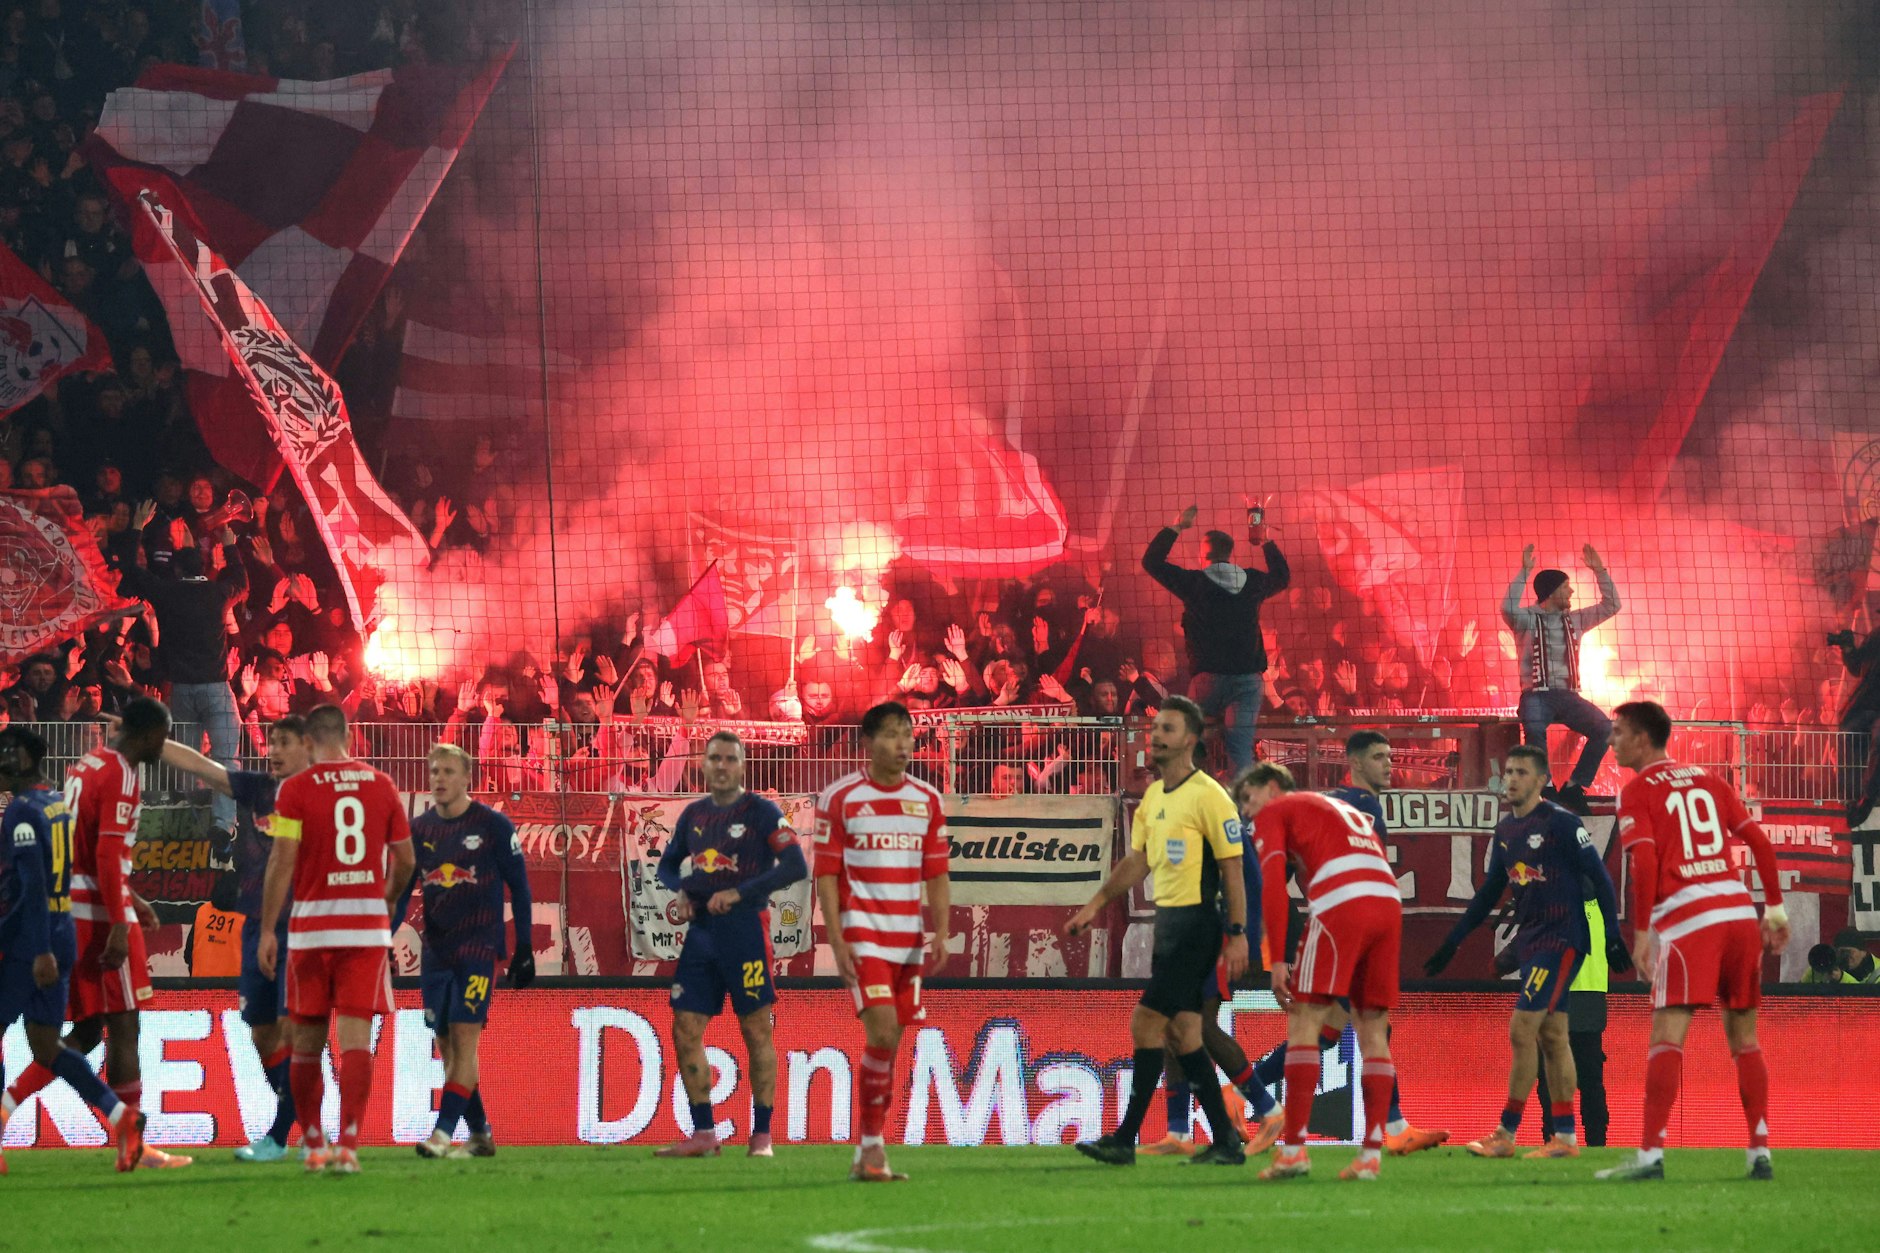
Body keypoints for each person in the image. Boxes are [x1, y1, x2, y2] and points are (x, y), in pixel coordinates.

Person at [1596, 700, 1787, 1182]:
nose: (1611, 741)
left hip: (1690, 921)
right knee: (1745, 1040)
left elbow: (1642, 863)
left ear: (1642, 738)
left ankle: (1650, 1157)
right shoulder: (1710, 779)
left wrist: (1641, 934)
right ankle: (1760, 1152)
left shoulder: (1637, 791)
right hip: (1740, 914)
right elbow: (1760, 844)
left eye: (1618, 732)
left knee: (1667, 1036)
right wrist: (1776, 909)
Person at [1066, 696, 1251, 1167]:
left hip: (1196, 924)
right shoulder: (1153, 796)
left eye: (1167, 728)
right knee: (1185, 1034)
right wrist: (1095, 903)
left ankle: (1125, 1138)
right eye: (1155, 728)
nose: (1156, 735)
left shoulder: (1209, 794)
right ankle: (1227, 1141)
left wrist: (1238, 932)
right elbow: (1138, 861)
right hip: (1170, 924)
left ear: (1189, 739)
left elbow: (1232, 869)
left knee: (1146, 1022)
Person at [1245, 731, 1448, 1155]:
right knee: (1337, 1024)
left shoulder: (1325, 804)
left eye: (1389, 756)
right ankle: (1285, 1123)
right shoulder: (1364, 807)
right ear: (1354, 764)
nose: (1388, 764)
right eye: (1378, 757)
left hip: (1335, 920)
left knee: (1332, 1029)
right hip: (1344, 924)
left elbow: (1278, 878)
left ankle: (1248, 1093)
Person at [1424, 745, 1628, 1159]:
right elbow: (1487, 896)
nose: (1512, 779)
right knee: (1553, 1036)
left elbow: (1601, 880)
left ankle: (1505, 1133)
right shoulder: (1506, 833)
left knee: (1522, 1030)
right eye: (1509, 771)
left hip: (1563, 939)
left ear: (1540, 780)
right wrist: (1453, 940)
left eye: (1521, 772)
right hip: (1534, 941)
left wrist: (1611, 936)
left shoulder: (1563, 824)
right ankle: (1566, 1139)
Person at [257, 704, 415, 1175]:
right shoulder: (381, 785)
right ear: (349, 737)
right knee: (355, 1042)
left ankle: (311, 1144)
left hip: (312, 931)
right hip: (364, 931)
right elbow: (405, 862)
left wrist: (268, 928)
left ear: (307, 742)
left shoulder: (296, 790)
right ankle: (348, 1145)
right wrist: (384, 903)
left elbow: (281, 861)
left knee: (306, 1043)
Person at [156, 715, 312, 1162]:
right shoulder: (259, 790)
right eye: (272, 743)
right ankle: (304, 1119)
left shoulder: (321, 795)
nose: (275, 751)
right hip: (256, 925)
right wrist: (153, 742)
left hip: (299, 927)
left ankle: (285, 1134)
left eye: (284, 743)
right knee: (262, 1033)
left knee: (294, 1030)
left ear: (307, 745)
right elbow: (204, 767)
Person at [653, 731, 809, 1159]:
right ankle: (704, 1133)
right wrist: (682, 891)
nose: (721, 766)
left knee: (755, 1028)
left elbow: (795, 865)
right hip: (701, 934)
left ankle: (762, 1136)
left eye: (730, 759)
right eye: (714, 758)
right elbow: (666, 867)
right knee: (684, 1028)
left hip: (745, 931)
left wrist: (740, 893)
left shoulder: (762, 812)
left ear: (742, 766)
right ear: (703, 764)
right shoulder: (693, 815)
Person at [1244, 763, 1402, 1182]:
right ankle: (1370, 1155)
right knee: (1372, 1026)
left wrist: (1277, 959)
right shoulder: (1335, 809)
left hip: (1343, 901)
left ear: (1273, 787)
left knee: (1305, 1020)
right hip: (1387, 902)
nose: (1247, 811)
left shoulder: (1276, 811)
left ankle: (1293, 1149)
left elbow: (1272, 887)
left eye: (1248, 797)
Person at [813, 701, 951, 1182]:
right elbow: (826, 874)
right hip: (863, 934)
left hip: (908, 942)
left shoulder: (928, 800)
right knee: (883, 1033)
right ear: (868, 743)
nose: (903, 744)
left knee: (890, 1044)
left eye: (908, 735)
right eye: (892, 734)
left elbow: (936, 872)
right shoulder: (841, 797)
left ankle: (868, 1150)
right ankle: (873, 1147)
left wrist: (942, 931)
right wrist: (836, 936)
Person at [0, 727, 146, 1174]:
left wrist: (31, 945)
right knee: (49, 1045)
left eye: (5, 752)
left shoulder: (21, 812)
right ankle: (122, 1118)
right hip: (64, 932)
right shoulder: (57, 803)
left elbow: (33, 886)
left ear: (24, 759)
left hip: (33, 942)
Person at [59, 698, 194, 1169]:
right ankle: (132, 1142)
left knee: (88, 1030)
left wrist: (133, 901)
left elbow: (91, 846)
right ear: (147, 735)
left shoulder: (89, 762)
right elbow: (103, 855)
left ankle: (11, 1100)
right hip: (98, 914)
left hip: (82, 904)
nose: (164, 745)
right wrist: (120, 921)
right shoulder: (122, 772)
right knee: (123, 1025)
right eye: (163, 736)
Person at [1144, 762, 1287, 1158]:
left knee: (1199, 1026)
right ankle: (1178, 1133)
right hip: (1191, 938)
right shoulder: (1191, 822)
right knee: (1174, 1029)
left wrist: (1245, 937)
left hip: (1218, 941)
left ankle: (1269, 1109)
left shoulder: (1223, 824)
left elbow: (1252, 883)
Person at [404, 743, 533, 1160]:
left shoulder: (493, 825)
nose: (438, 778)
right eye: (433, 770)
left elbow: (521, 887)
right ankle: (479, 1134)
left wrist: (525, 947)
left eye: (446, 771)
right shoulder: (420, 829)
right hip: (436, 951)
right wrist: (383, 936)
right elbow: (403, 891)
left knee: (464, 1037)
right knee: (446, 1043)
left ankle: (442, 1134)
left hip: (479, 947)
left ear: (466, 779)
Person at [118, 515, 247, 837]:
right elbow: (243, 582)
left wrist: (137, 527)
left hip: (182, 693)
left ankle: (187, 824)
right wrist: (231, 548)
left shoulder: (166, 592)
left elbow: (132, 570)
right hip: (216, 689)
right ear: (203, 568)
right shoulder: (217, 593)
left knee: (187, 763)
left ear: (176, 569)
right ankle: (223, 824)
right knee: (226, 759)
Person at [1142, 504, 1290, 772]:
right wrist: (1265, 539)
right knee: (1240, 752)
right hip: (1247, 681)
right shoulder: (1253, 582)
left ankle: (1186, 788)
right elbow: (1282, 577)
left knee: (1187, 742)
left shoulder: (1194, 583)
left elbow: (1151, 562)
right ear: (1230, 554)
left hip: (1207, 681)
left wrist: (1176, 526)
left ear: (1203, 554)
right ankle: (1239, 810)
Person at [1501, 544, 1621, 812]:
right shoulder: (1526, 620)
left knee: (1605, 728)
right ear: (1552, 592)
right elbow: (1507, 607)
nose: (1572, 592)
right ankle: (1544, 789)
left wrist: (1599, 571)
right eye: (1566, 587)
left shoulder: (1576, 620)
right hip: (1536, 694)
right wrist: (1524, 572)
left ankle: (1575, 786)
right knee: (1533, 726)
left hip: (1568, 696)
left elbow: (1613, 604)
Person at [1535, 898, 1615, 1146]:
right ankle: (1597, 1144)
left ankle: (1555, 1140)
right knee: (1590, 1080)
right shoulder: (1599, 909)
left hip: (1557, 998)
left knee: (1551, 1078)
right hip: (1589, 999)